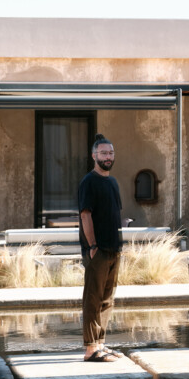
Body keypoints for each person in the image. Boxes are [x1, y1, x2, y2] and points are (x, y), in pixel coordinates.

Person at [78, 134, 123, 362]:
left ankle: (100, 345)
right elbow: (86, 215)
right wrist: (93, 245)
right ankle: (90, 349)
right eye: (104, 153)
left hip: (114, 249)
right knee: (93, 299)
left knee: (107, 299)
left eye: (111, 153)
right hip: (98, 250)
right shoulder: (89, 181)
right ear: (94, 156)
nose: (108, 157)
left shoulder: (112, 182)